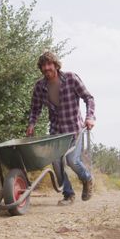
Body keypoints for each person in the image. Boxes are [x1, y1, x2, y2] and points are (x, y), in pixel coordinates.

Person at [27, 51, 95, 206]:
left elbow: (88, 98)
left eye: (49, 64)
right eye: (43, 66)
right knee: (56, 163)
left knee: (72, 160)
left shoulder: (71, 78)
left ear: (56, 65)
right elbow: (35, 109)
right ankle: (68, 195)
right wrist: (32, 124)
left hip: (73, 130)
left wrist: (90, 116)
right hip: (56, 132)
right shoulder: (40, 86)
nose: (46, 68)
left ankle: (87, 178)